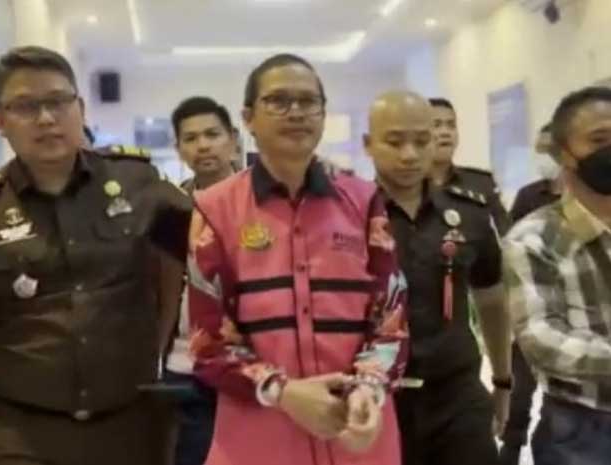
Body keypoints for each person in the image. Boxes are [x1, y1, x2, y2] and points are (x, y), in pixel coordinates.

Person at [0, 46, 191, 465]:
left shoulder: (138, 183)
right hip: (16, 435)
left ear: (80, 108)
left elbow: (209, 244)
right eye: (26, 106)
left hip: (130, 429)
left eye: (58, 101)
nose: (46, 118)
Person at [187, 53, 409, 465]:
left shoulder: (363, 201)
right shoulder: (214, 209)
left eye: (308, 101)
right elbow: (208, 343)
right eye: (278, 101)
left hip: (356, 430)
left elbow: (391, 321)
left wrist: (368, 386)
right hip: (256, 437)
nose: (296, 113)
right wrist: (283, 391)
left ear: (323, 114)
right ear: (248, 118)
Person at [364, 91, 512, 465]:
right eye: (395, 142)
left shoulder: (469, 215)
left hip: (457, 396)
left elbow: (492, 300)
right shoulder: (350, 218)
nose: (409, 155)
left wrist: (503, 381)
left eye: (421, 141)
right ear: (368, 144)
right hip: (379, 398)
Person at [504, 86, 611, 465]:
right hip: (585, 429)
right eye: (599, 140)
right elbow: (542, 339)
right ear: (565, 153)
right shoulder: (534, 238)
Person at [161, 96, 238, 465]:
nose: (203, 145)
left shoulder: (260, 203)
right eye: (191, 139)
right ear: (178, 149)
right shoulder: (171, 210)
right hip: (186, 367)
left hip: (252, 363)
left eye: (212, 134)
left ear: (233, 139)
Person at [499, 122, 563, 465]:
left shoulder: (593, 194)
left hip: (574, 315)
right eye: (540, 151)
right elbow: (512, 246)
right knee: (520, 392)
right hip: (534, 311)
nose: (544, 158)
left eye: (548, 151)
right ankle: (510, 452)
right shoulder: (529, 196)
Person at [429, 97, 510, 234]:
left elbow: (506, 234)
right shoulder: (408, 186)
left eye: (451, 125)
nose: (445, 132)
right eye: (436, 125)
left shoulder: (481, 183)